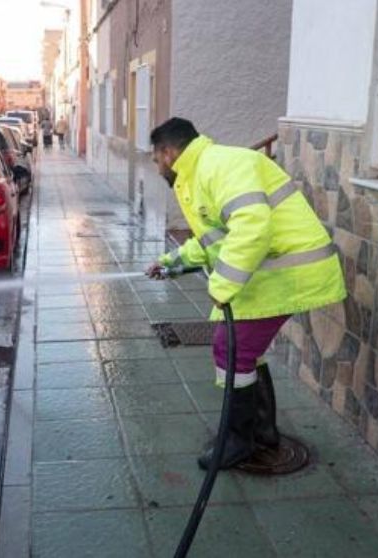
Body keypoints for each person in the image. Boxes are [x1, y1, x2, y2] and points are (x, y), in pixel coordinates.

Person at [146, 117, 346, 471]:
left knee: (230, 345)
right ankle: (262, 433)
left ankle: (238, 441)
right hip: (272, 275)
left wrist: (221, 287)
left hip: (293, 272)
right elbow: (216, 239)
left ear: (168, 151)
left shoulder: (221, 165)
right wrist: (172, 262)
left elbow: (252, 228)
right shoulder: (199, 174)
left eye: (156, 158)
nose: (157, 165)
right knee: (245, 350)